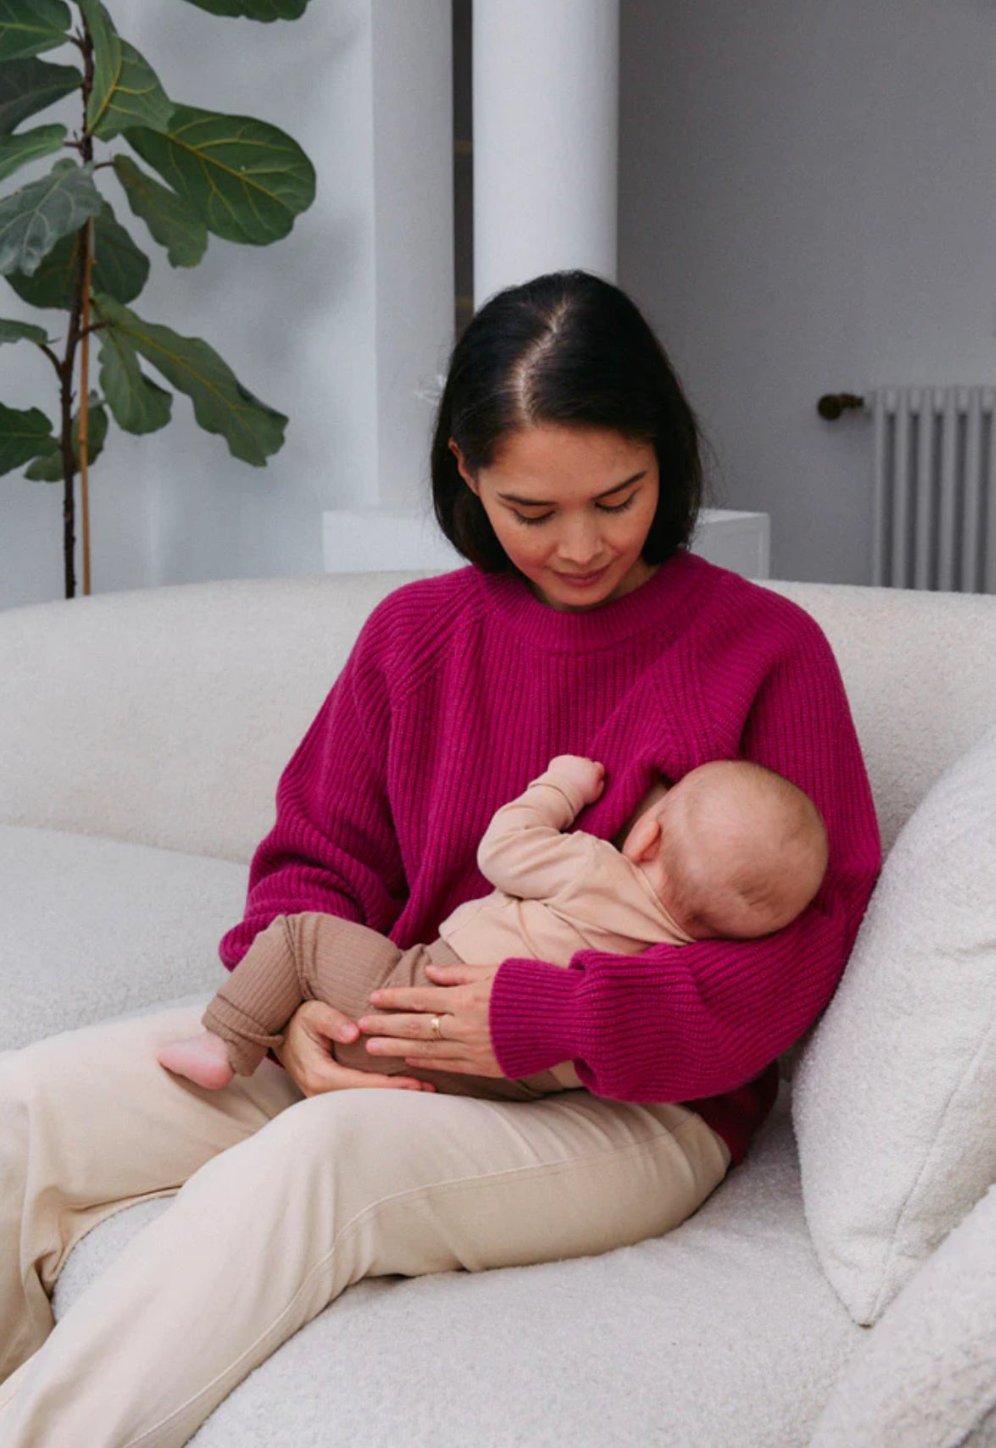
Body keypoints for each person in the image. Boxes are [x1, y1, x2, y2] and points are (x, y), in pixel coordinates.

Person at [0, 270, 881, 1447]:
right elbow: (315, 860)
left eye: (617, 497)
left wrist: (547, 1017)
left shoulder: (766, 652)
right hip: (393, 1016)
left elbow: (797, 964)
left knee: (322, 1157)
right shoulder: (415, 638)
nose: (580, 545)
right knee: (24, 1110)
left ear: (665, 456)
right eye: (532, 509)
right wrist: (302, 1003)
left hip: (630, 1103)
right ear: (466, 474)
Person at [157, 755, 829, 1094]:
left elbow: (500, 850)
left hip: (412, 994)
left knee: (299, 936)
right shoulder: (671, 959)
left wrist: (561, 788)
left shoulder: (594, 868)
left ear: (647, 836)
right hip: (517, 1081)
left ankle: (225, 1044)